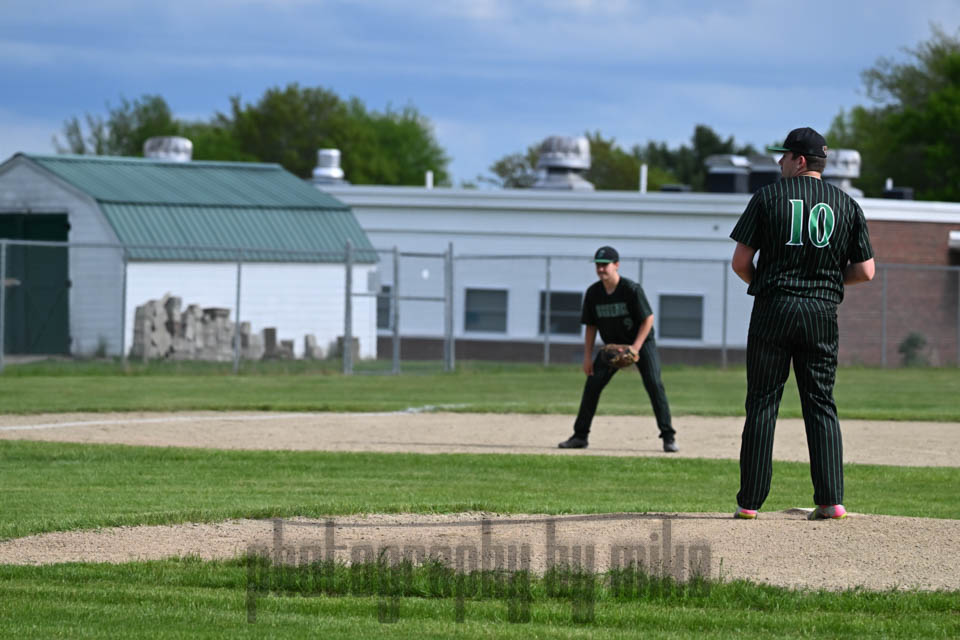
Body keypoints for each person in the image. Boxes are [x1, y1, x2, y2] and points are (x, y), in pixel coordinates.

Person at [729, 127, 875, 521]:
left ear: (801, 160)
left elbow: (740, 263)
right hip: (821, 312)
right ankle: (831, 500)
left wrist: (766, 284)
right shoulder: (847, 205)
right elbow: (866, 271)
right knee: (820, 402)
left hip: (774, 309)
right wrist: (827, 285)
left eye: (785, 155)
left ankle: (750, 502)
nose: (780, 161)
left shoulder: (767, 197)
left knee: (763, 402)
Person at [558, 246, 678, 452]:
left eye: (605, 265)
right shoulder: (593, 293)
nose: (601, 269)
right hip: (612, 347)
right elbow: (591, 326)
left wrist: (635, 348)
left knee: (654, 384)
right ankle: (580, 436)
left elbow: (648, 319)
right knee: (592, 385)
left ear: (616, 265)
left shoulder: (631, 289)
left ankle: (668, 437)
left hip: (641, 343)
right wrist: (587, 357)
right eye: (598, 265)